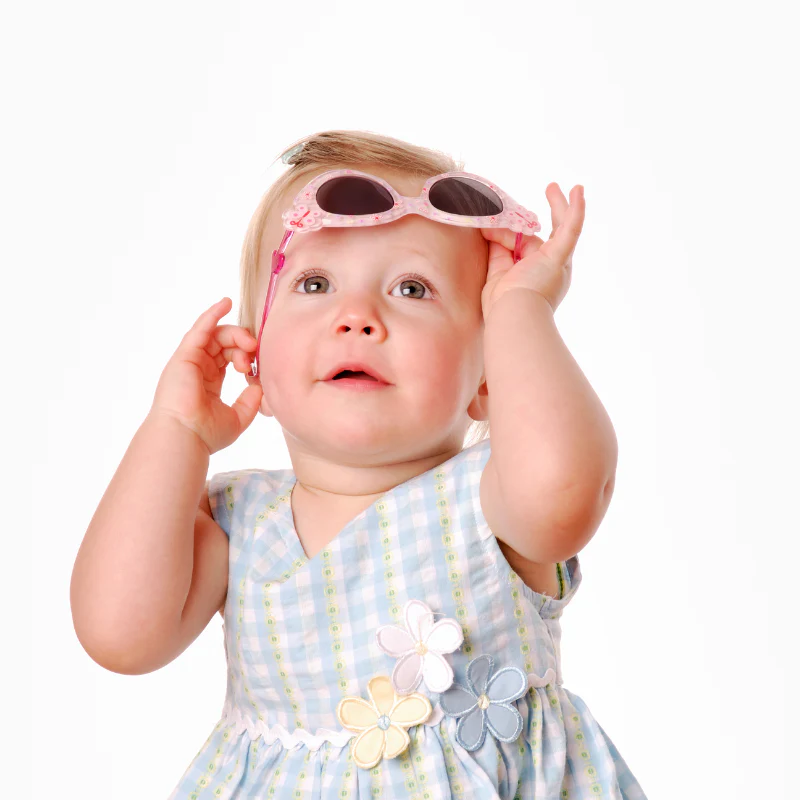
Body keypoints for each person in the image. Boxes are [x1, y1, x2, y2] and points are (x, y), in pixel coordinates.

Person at [71, 129, 648, 798]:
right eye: (315, 283)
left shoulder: (493, 500)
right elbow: (119, 634)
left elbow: (566, 492)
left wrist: (521, 310)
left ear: (489, 376)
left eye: (412, 288)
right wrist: (174, 432)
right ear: (255, 358)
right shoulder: (238, 525)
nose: (357, 317)